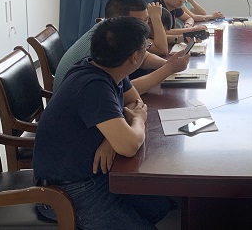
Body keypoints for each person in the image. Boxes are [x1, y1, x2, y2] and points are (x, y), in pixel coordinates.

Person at [34, 17, 175, 230]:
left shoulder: (106, 68)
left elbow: (134, 101)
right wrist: (137, 120)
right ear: (135, 57)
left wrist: (111, 140)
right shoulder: (94, 86)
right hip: (68, 190)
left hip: (93, 175)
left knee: (159, 207)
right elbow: (129, 145)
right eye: (146, 47)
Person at [53, 0, 189, 93]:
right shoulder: (104, 44)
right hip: (76, 102)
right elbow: (121, 91)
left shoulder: (112, 32)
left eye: (146, 20)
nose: (145, 27)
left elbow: (143, 57)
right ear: (119, 20)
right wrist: (168, 69)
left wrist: (168, 64)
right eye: (139, 22)